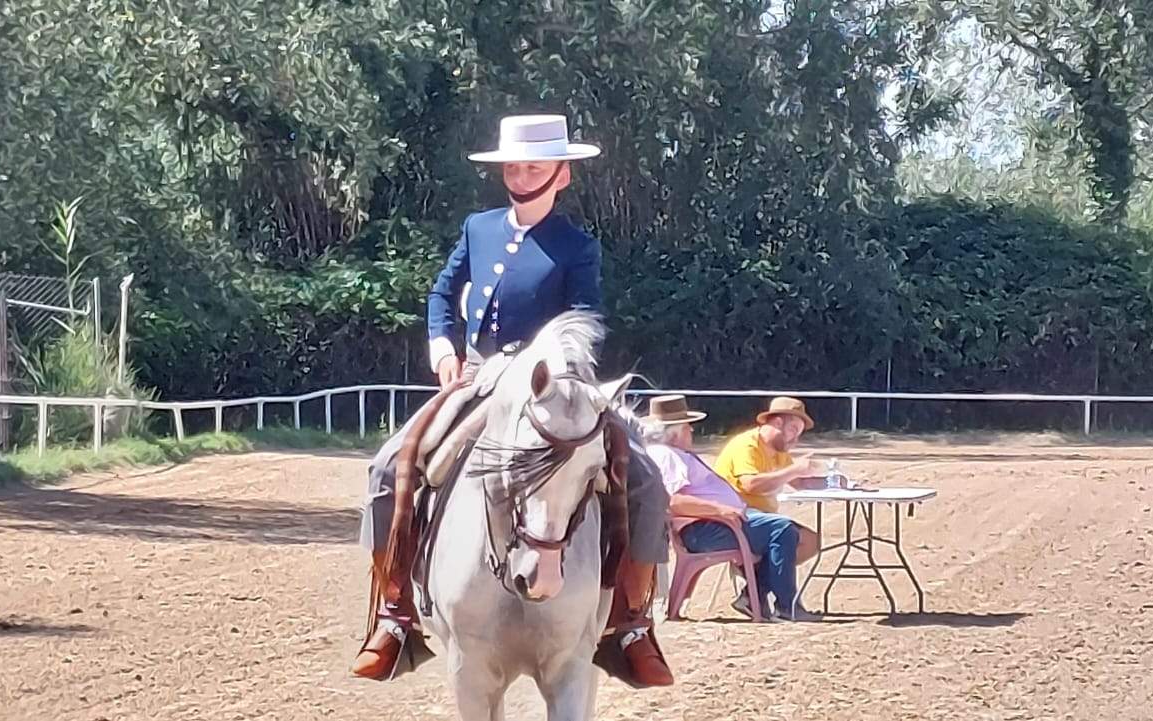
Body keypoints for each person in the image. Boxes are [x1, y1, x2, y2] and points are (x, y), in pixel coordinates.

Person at [353, 114, 674, 687]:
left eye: (534, 165)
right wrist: (442, 345)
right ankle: (395, 613)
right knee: (386, 467)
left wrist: (550, 365)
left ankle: (630, 622)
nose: (521, 175)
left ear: (562, 174)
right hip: (476, 378)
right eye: (514, 166)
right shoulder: (478, 228)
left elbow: (585, 318)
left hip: (549, 387)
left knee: (645, 477)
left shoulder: (578, 247)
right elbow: (441, 293)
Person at [642, 395, 818, 621]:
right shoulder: (666, 456)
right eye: (688, 428)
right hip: (708, 527)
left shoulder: (675, 455)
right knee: (781, 529)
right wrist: (720, 510)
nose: (692, 432)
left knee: (788, 532)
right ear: (674, 432)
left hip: (720, 522)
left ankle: (760, 599)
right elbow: (670, 501)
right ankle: (786, 607)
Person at [713, 397, 825, 566]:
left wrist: (833, 481)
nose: (795, 439)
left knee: (810, 542)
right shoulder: (748, 445)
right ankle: (759, 583)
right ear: (778, 423)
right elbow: (751, 485)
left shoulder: (778, 450)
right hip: (738, 517)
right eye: (793, 430)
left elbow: (799, 482)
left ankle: (757, 584)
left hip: (759, 517)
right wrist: (794, 469)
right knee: (801, 540)